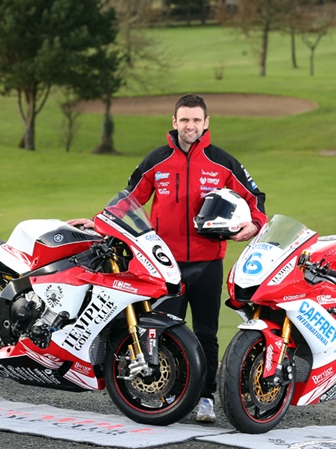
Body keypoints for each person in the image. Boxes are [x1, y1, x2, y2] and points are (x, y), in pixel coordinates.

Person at [69, 94, 266, 423]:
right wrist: (98, 221)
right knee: (162, 332)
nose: (191, 126)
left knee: (206, 334)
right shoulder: (156, 161)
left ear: (206, 124)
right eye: (184, 120)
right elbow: (129, 199)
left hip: (208, 263)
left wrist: (254, 223)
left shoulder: (223, 162)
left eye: (196, 120)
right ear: (174, 123)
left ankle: (205, 398)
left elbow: (254, 197)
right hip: (162, 265)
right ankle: (171, 395)